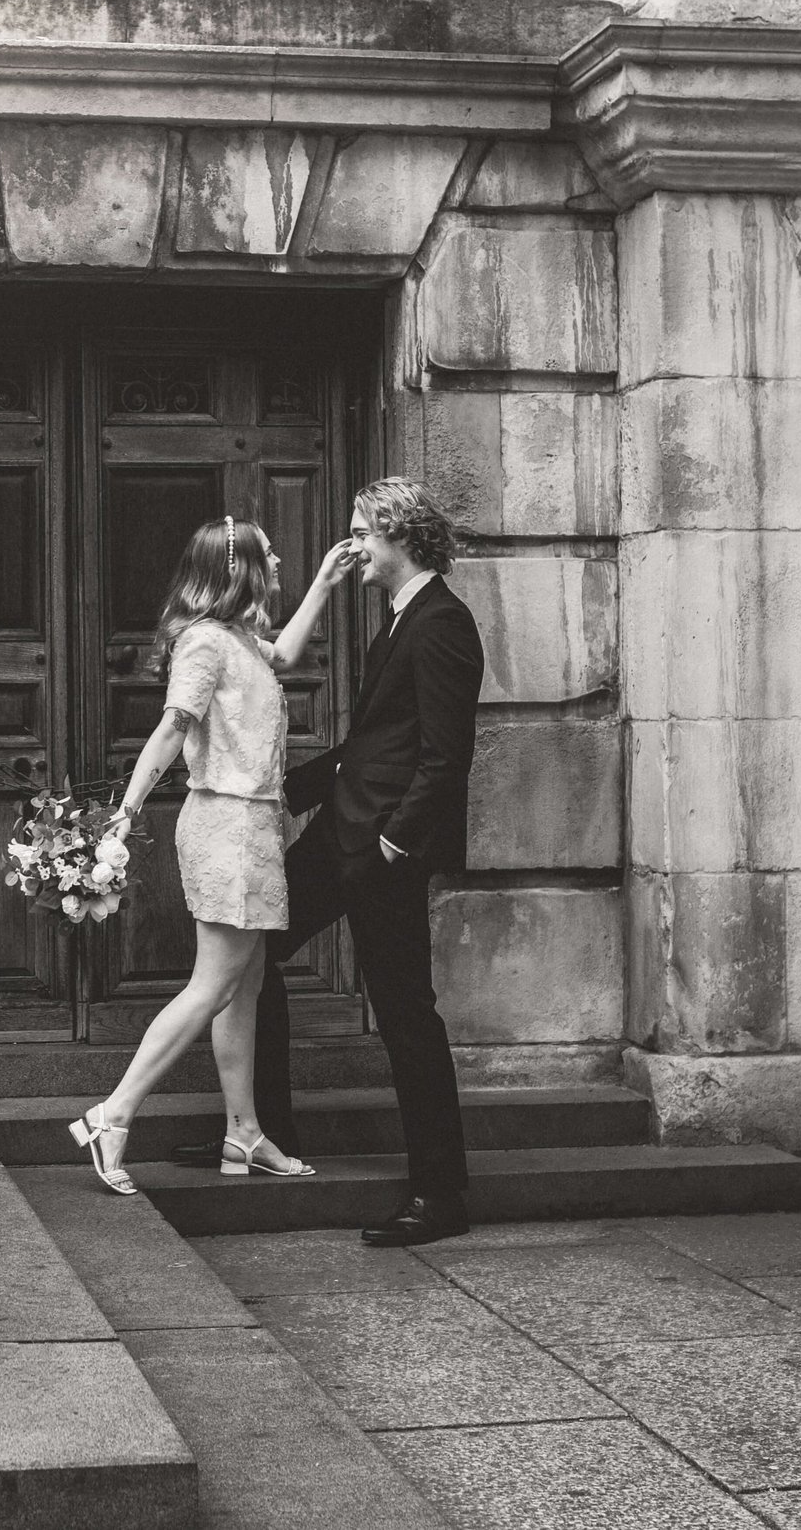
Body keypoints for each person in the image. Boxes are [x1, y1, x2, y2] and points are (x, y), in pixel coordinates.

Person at [184, 478, 484, 1248]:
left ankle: (439, 1191)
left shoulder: (443, 622)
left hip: (381, 849)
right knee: (257, 956)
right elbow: (375, 746)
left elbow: (443, 760)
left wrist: (395, 841)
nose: (352, 545)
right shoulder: (398, 619)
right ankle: (259, 1130)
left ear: (398, 535)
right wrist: (287, 790)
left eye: (361, 532)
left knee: (406, 1014)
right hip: (337, 835)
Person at [67, 513, 363, 1195]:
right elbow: (173, 726)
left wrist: (323, 580)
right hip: (226, 827)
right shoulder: (204, 642)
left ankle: (245, 1131)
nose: (281, 561)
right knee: (213, 984)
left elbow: (284, 654)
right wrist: (126, 810)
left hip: (254, 828)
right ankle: (112, 1114)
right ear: (241, 569)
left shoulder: (242, 639)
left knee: (245, 986)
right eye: (271, 554)